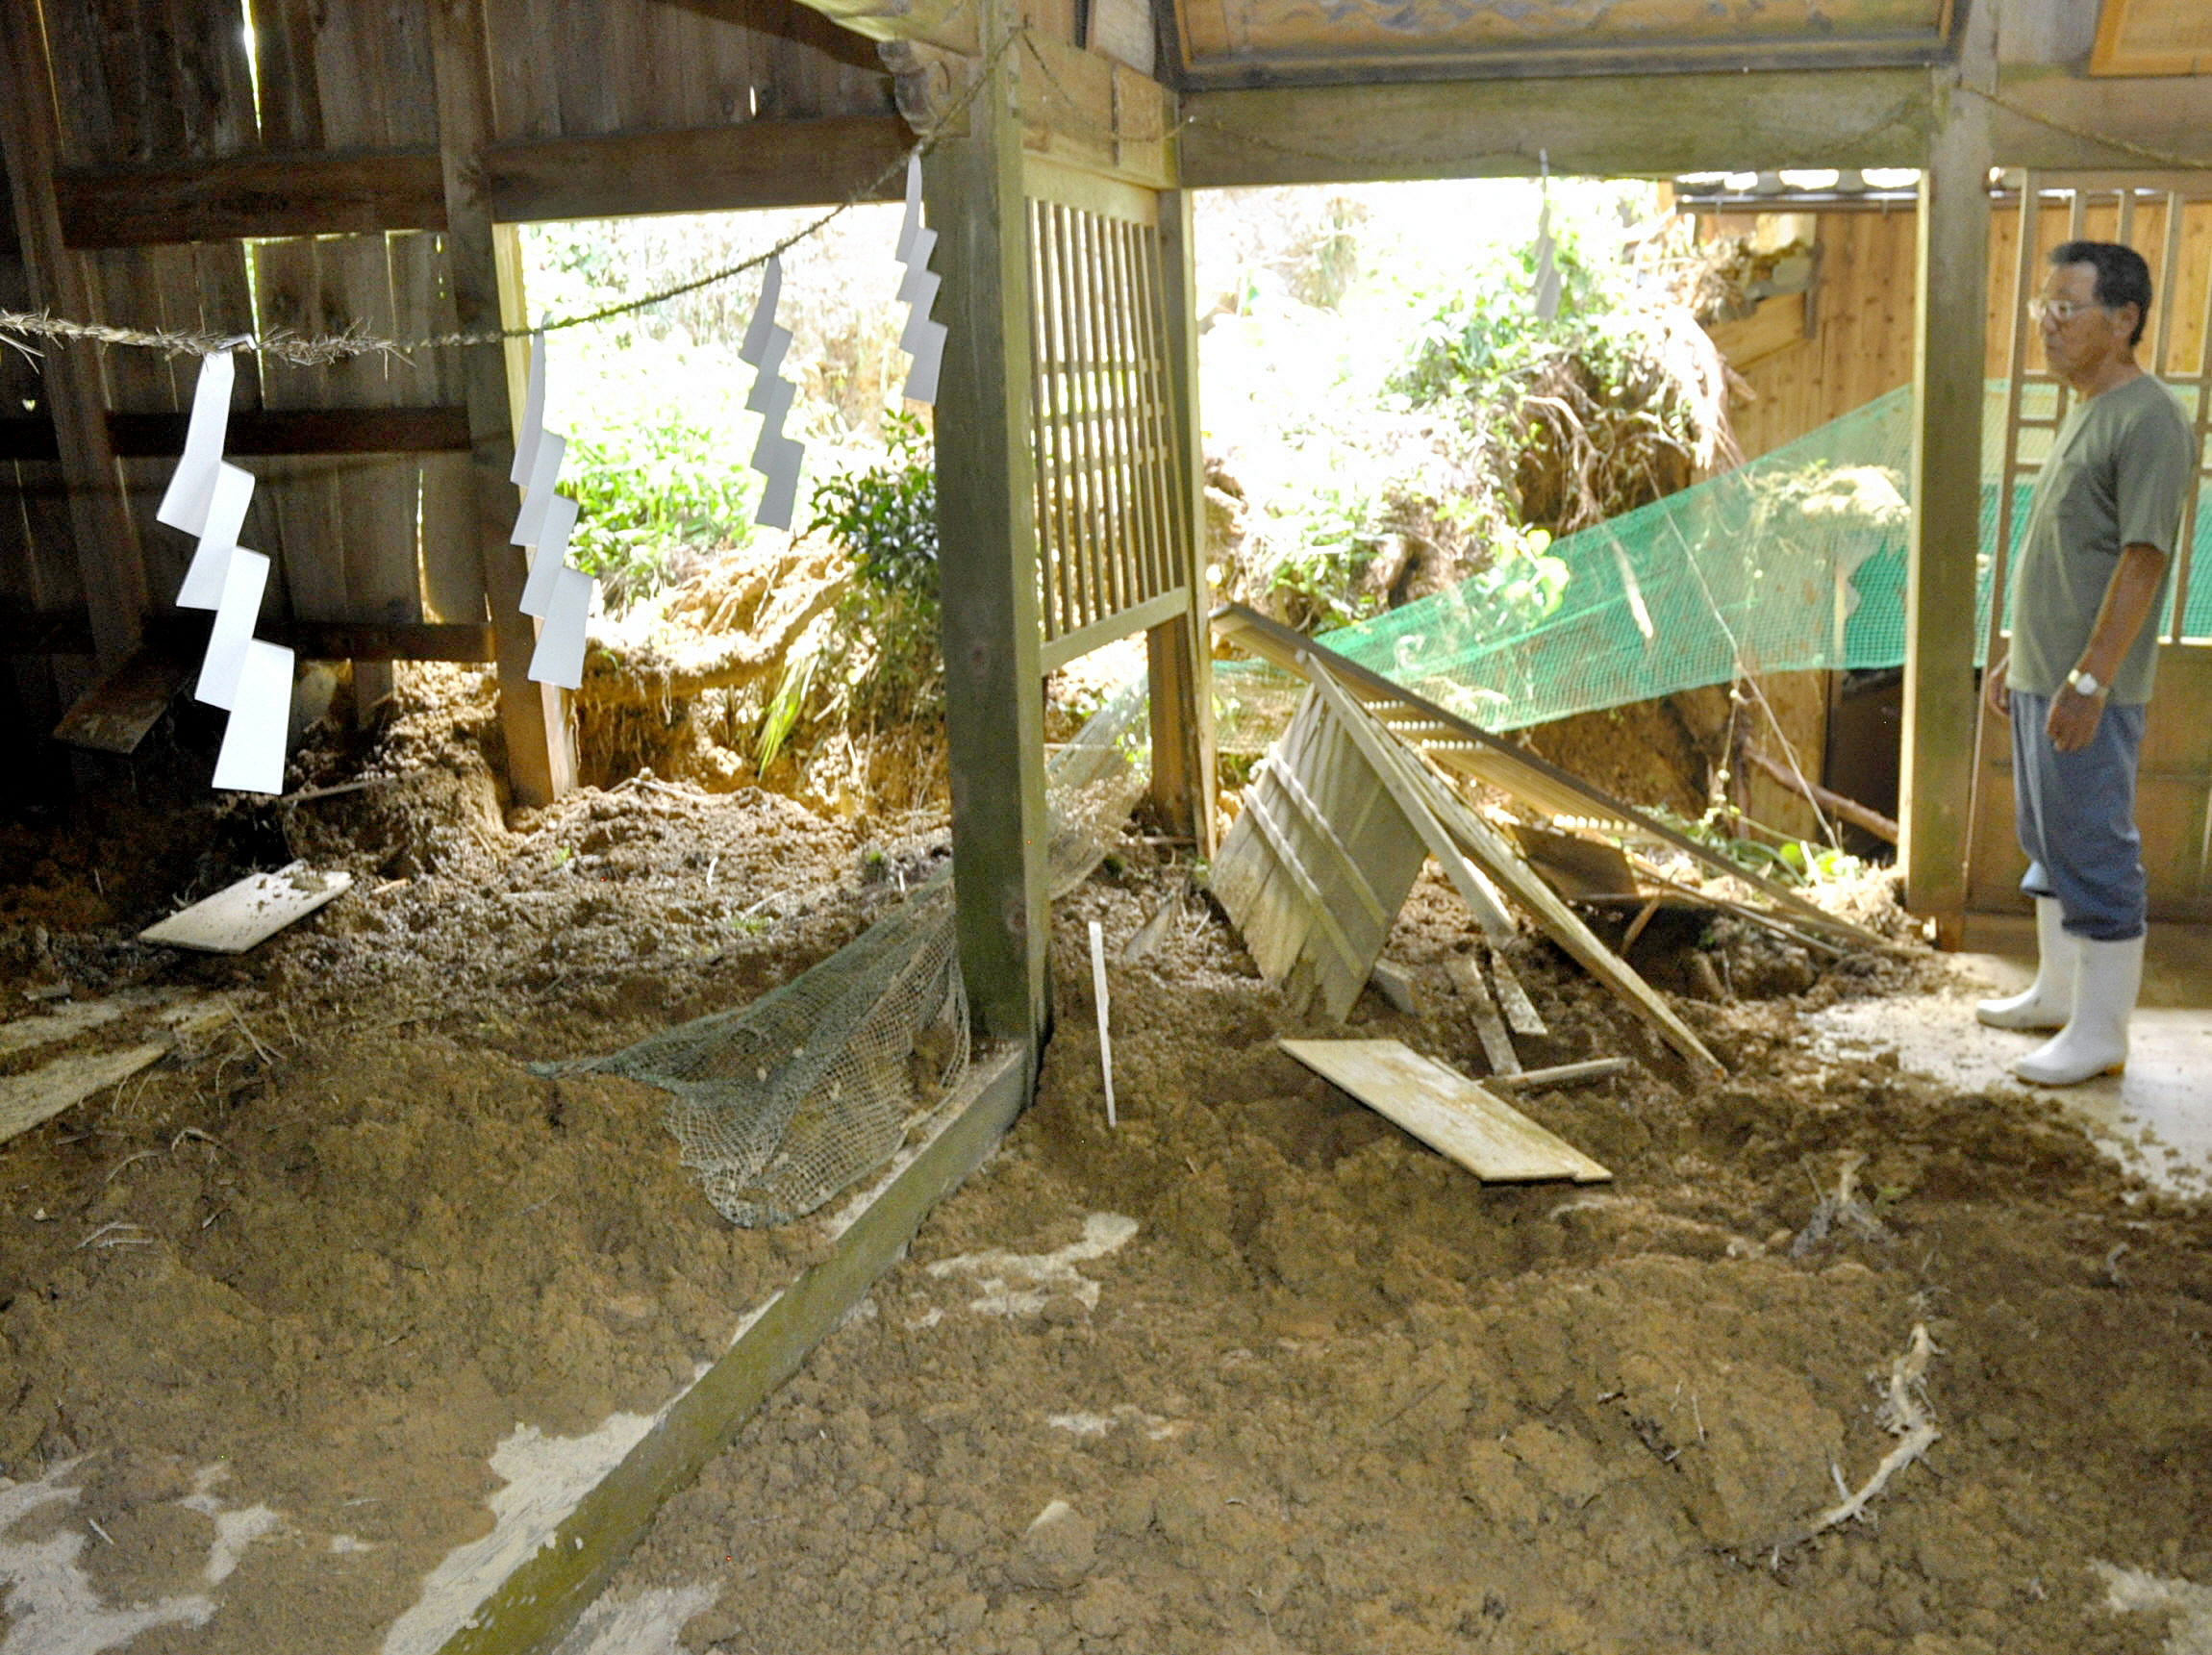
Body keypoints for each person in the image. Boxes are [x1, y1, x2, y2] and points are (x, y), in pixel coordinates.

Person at [1976, 239, 2195, 1086]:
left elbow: (2144, 558)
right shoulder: (2086, 407)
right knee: (2047, 834)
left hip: (2090, 685)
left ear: (2126, 318)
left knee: (2093, 845)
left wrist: (2093, 677)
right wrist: (2016, 656)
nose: (2049, 323)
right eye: (2044, 307)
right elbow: (2064, 551)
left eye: (2067, 307)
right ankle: (2055, 995)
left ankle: (2102, 1033)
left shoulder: (2150, 419)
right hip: (2042, 668)